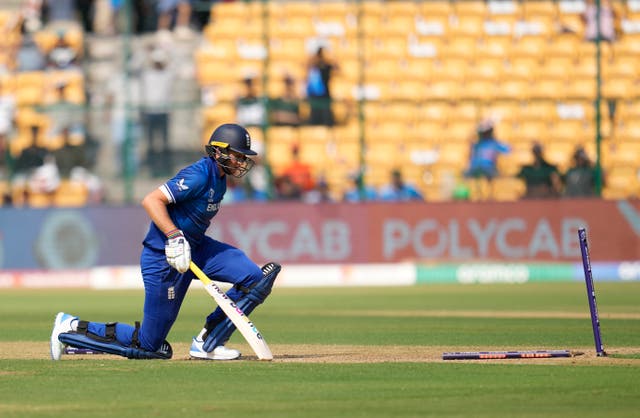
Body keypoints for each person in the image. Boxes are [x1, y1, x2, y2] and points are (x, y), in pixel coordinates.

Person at [50, 123, 281, 361]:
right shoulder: (199, 175)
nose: (241, 161)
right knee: (151, 346)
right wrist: (174, 235)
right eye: (238, 155)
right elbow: (151, 200)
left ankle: (208, 342)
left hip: (197, 249)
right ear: (219, 151)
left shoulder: (221, 179)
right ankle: (71, 327)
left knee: (254, 278)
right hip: (164, 257)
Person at [140, 46, 174, 176]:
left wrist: (166, 52)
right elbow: (135, 66)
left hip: (163, 111)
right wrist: (146, 53)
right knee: (150, 143)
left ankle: (165, 169)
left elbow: (176, 65)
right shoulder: (147, 74)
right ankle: (153, 169)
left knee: (164, 144)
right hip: (150, 112)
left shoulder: (167, 74)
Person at [464, 119, 510, 199]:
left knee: (488, 175)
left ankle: (487, 194)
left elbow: (507, 150)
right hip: (481, 168)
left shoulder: (485, 144)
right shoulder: (480, 144)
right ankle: (485, 194)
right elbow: (507, 150)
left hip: (484, 168)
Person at [306, 46, 338, 126]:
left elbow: (337, 68)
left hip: (324, 94)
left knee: (326, 115)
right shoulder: (314, 66)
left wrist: (331, 59)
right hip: (316, 95)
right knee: (315, 115)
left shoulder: (326, 65)